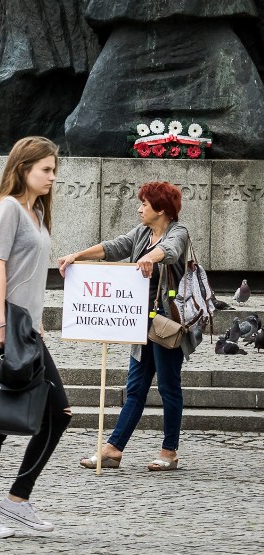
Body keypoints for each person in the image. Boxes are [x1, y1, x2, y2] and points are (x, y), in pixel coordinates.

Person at [0, 136, 72, 539]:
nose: (51, 176)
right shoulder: (9, 209)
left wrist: (36, 324)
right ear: (23, 169)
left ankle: (17, 499)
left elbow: (32, 276)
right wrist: (0, 327)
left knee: (56, 416)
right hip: (7, 327)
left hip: (27, 330)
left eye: (53, 169)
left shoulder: (37, 213)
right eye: (45, 169)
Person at [58, 181, 191, 472]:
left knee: (169, 388)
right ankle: (113, 449)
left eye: (144, 203)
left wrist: (150, 257)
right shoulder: (143, 233)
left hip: (167, 324)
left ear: (162, 209)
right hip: (139, 324)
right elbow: (114, 246)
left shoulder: (178, 231)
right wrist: (76, 256)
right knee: (135, 389)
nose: (139, 208)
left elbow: (170, 250)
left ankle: (169, 451)